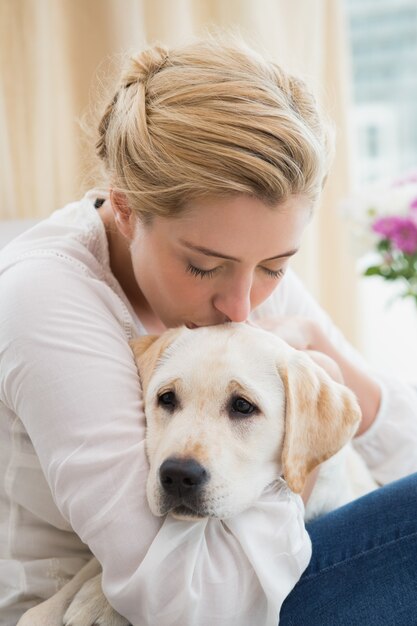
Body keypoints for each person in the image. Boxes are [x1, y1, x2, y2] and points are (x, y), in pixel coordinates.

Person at [0, 35, 416, 626]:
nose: (243, 306)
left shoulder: (237, 266)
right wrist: (300, 469)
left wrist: (323, 361)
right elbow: (184, 600)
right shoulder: (45, 299)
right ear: (121, 207)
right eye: (202, 265)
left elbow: (405, 449)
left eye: (277, 267)